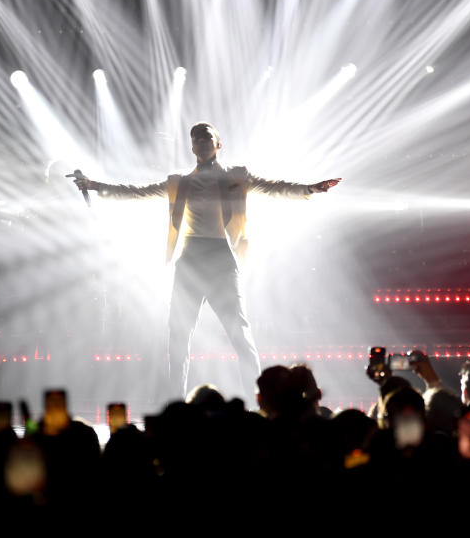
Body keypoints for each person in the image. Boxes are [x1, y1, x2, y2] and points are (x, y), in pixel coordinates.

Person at [74, 122, 340, 398]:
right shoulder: (179, 181)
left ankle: (261, 400)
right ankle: (177, 403)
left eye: (206, 138)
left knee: (240, 332)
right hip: (190, 258)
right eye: (196, 139)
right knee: (178, 337)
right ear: (192, 147)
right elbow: (136, 192)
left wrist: (310, 188)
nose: (201, 142)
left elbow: (273, 187)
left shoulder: (237, 175)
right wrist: (95, 186)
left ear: (218, 144)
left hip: (221, 257)